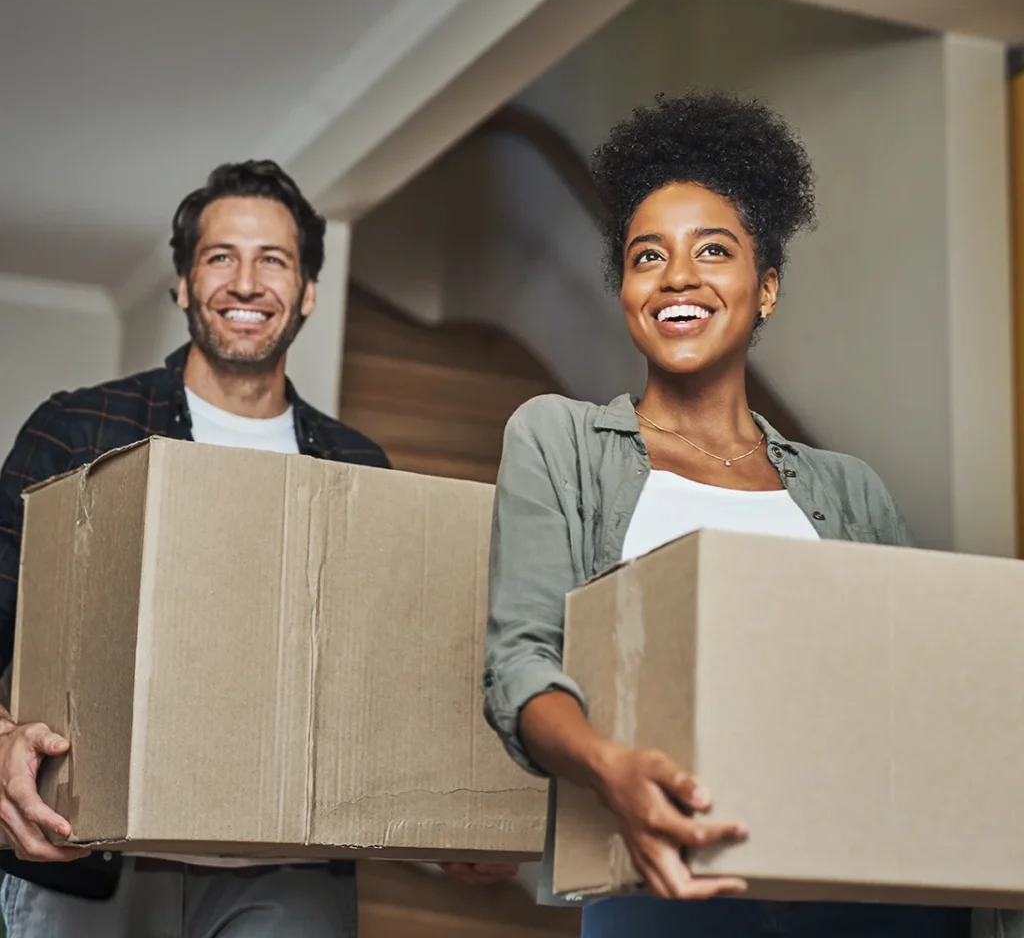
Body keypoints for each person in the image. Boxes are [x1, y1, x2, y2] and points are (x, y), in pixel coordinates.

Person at [483, 95, 973, 938]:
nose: (678, 276)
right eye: (647, 256)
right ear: (626, 289)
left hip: (868, 893)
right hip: (663, 886)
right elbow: (519, 662)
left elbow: (921, 689)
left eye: (713, 249)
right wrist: (610, 769)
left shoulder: (852, 491)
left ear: (766, 286)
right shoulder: (559, 441)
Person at [0, 159, 514, 937]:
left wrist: (453, 823)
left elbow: (388, 686)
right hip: (87, 854)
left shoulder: (358, 467)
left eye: (273, 260)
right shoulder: (77, 431)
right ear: (183, 285)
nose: (246, 283)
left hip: (290, 872)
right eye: (220, 257)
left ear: (307, 292)